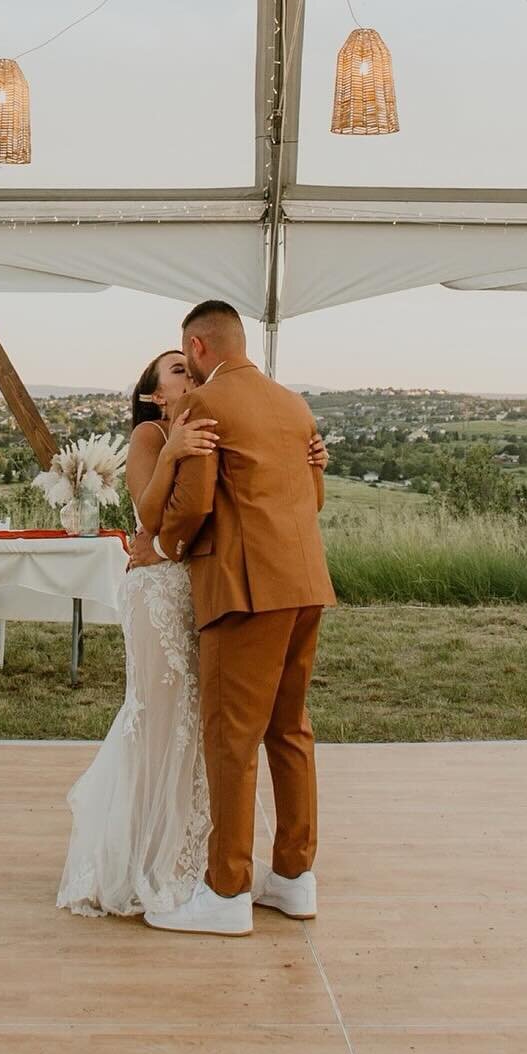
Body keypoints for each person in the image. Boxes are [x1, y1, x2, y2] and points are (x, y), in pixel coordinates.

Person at [132, 300, 334, 938]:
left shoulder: (205, 405)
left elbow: (191, 505)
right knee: (290, 730)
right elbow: (315, 497)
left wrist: (168, 547)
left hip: (245, 589)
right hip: (306, 585)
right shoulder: (293, 404)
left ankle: (226, 891)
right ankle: (295, 878)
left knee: (231, 739)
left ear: (196, 346)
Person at [57, 349, 218, 917]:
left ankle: (187, 850)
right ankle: (143, 857)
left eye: (187, 365)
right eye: (174, 369)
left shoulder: (205, 425)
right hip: (155, 592)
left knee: (192, 718)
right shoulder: (152, 435)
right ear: (153, 394)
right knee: (157, 715)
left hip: (190, 585)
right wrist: (174, 449)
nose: (186, 372)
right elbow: (148, 518)